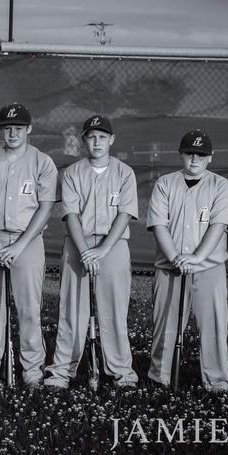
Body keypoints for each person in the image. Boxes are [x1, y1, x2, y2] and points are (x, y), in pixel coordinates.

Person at [44, 115, 138, 391]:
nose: (96, 142)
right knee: (71, 308)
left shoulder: (124, 172)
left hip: (114, 245)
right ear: (85, 140)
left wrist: (102, 251)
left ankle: (122, 372)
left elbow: (125, 215)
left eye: (102, 137)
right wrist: (87, 252)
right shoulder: (72, 172)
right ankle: (62, 371)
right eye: (91, 137)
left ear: (112, 140)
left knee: (114, 310)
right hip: (78, 244)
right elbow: (71, 215)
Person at [0, 103, 57, 388]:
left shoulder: (42, 162)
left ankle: (32, 371)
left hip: (28, 241)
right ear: (1, 130)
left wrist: (18, 247)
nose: (12, 133)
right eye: (8, 128)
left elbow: (45, 209)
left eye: (18, 128)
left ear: (29, 129)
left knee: (29, 308)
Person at [145, 129, 228, 392]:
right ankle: (159, 377)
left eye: (201, 154)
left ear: (210, 157)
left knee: (214, 327)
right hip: (170, 267)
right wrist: (176, 257)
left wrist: (195, 257)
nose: (195, 159)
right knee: (165, 325)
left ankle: (217, 380)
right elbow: (159, 225)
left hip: (208, 267)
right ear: (181, 154)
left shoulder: (220, 185)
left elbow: (218, 226)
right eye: (189, 153)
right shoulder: (165, 183)